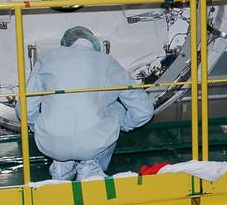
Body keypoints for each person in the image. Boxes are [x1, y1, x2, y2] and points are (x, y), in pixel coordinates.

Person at [25, 26, 154, 180]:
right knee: (115, 108)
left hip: (50, 144)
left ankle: (62, 166)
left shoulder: (47, 58)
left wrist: (38, 126)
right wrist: (123, 125)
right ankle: (91, 166)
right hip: (93, 143)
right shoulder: (109, 63)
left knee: (56, 107)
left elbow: (25, 108)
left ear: (65, 44)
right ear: (95, 44)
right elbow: (144, 111)